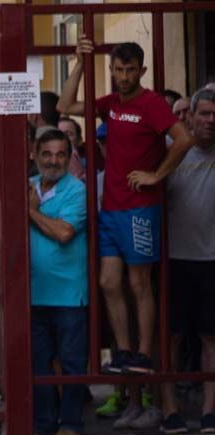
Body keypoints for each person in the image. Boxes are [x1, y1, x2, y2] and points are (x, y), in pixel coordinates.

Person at [60, 38, 194, 377]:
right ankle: (123, 351)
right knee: (108, 282)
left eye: (130, 70)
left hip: (140, 208)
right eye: (118, 70)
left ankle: (143, 354)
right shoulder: (111, 103)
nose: (123, 76)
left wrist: (156, 175)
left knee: (139, 283)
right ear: (112, 71)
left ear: (142, 70)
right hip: (111, 208)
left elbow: (184, 139)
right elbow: (65, 104)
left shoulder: (151, 104)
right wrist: (78, 63)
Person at [26, 129, 90, 435]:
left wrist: (31, 211)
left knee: (72, 361)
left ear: (69, 157)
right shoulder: (28, 186)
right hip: (34, 292)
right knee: (39, 362)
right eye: (47, 154)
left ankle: (72, 425)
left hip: (68, 292)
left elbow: (65, 233)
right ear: (36, 155)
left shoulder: (76, 190)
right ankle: (45, 425)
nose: (53, 160)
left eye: (60, 154)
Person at [161, 89, 215, 435]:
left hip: (211, 258)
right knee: (171, 336)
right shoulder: (173, 154)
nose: (211, 121)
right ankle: (170, 410)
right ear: (190, 116)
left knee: (212, 337)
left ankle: (210, 411)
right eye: (205, 114)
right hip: (174, 258)